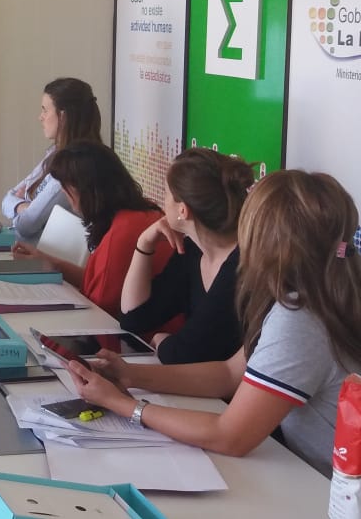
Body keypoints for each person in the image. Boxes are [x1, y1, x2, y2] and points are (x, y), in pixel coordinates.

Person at [68, 170, 361, 479]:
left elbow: (230, 436)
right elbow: (230, 374)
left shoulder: (301, 317)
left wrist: (122, 405)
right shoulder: (326, 295)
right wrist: (131, 375)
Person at [119, 148, 254, 364]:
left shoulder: (240, 265)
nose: (163, 202)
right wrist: (144, 243)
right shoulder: (192, 250)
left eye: (166, 194)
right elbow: (134, 319)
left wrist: (162, 341)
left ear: (183, 210)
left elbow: (186, 353)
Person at [12, 140, 171, 319]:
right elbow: (97, 282)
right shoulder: (143, 212)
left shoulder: (121, 234)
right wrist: (49, 262)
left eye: (66, 185)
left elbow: (99, 308)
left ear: (86, 188)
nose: (63, 191)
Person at [1, 77, 102, 244]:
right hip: (33, 251)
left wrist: (23, 205)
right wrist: (24, 206)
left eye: (45, 110)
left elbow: (26, 225)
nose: (40, 117)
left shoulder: (72, 167)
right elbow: (7, 199)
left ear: (63, 116)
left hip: (49, 256)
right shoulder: (55, 153)